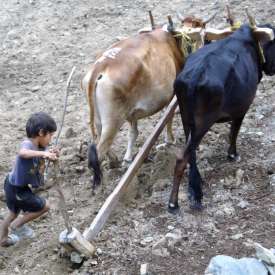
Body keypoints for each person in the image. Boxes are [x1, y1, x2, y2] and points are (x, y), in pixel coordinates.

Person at [0, 112, 59, 247]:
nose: (51, 139)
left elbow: (40, 170)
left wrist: (50, 154)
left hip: (13, 185)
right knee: (45, 206)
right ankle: (18, 226)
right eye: (50, 135)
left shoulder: (41, 147)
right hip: (16, 189)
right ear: (41, 132)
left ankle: (3, 240)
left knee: (12, 214)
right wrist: (44, 153)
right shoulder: (27, 144)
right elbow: (23, 153)